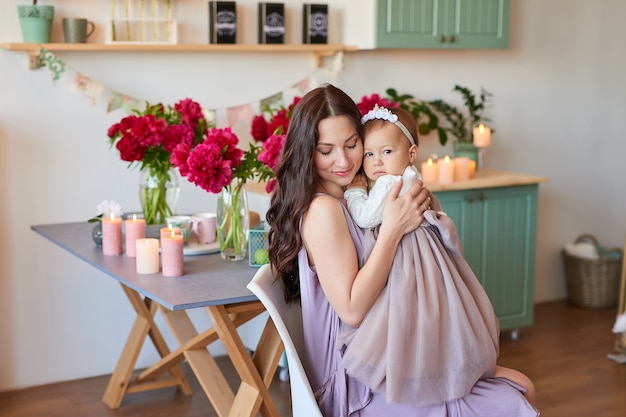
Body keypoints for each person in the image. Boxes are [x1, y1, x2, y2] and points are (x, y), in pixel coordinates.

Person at [266, 83, 538, 417]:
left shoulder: (351, 197)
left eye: (353, 145)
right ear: (307, 151)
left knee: (521, 384)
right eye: (326, 150)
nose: (343, 160)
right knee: (515, 396)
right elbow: (351, 310)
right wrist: (393, 230)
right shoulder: (324, 210)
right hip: (355, 381)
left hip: (385, 351)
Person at [341, 104, 536, 406]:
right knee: (431, 317)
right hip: (426, 258)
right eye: (369, 154)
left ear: (411, 152)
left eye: (387, 152)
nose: (377, 161)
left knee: (403, 316)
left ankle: (413, 371)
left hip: (407, 261)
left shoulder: (390, 184)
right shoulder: (408, 176)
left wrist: (353, 192)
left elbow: (366, 217)